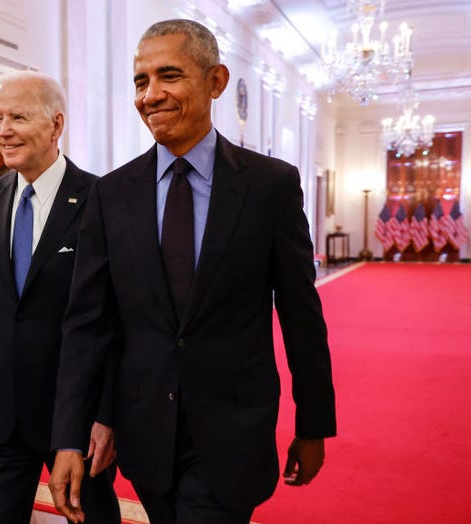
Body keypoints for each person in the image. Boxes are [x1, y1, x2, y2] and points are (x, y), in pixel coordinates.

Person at [48, 19, 337, 524]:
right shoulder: (111, 195)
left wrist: (313, 423)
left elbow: (301, 315)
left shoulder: (269, 186)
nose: (150, 95)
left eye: (169, 76)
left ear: (215, 81)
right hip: (146, 435)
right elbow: (87, 324)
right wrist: (69, 435)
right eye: (141, 82)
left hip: (232, 430)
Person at [0, 71, 121, 523]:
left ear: (56, 124)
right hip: (1, 414)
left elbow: (115, 320)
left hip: (75, 417)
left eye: (19, 117)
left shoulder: (101, 198)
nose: (3, 130)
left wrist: (107, 414)